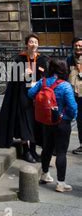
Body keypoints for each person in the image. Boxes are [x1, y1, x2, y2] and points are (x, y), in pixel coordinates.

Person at [0, 33, 48, 162]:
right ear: (26, 44)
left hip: (37, 96)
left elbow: (46, 77)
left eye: (35, 42)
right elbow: (14, 80)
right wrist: (23, 75)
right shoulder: (20, 59)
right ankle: (26, 150)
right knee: (24, 123)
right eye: (31, 42)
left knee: (35, 123)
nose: (33, 44)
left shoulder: (42, 60)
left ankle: (33, 150)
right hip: (23, 95)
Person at [28, 57, 78, 192]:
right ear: (63, 70)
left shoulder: (43, 82)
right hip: (62, 122)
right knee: (61, 152)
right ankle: (61, 183)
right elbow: (73, 107)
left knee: (47, 148)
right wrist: (71, 117)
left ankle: (45, 175)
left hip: (46, 121)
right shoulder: (65, 86)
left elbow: (30, 93)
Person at [66, 37, 82, 155]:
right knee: (79, 120)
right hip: (74, 95)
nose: (78, 47)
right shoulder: (69, 59)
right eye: (76, 45)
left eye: (80, 45)